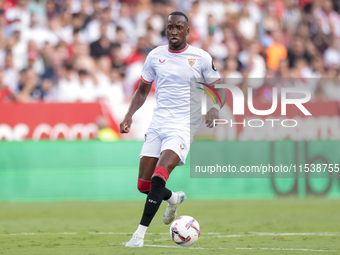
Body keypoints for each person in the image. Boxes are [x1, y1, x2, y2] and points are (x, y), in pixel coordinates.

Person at [120, 11, 226, 248]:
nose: (174, 32)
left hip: (183, 124)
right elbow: (142, 90)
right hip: (158, 123)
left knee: (159, 175)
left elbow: (220, 90)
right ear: (165, 29)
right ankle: (174, 198)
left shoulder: (200, 57)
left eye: (179, 28)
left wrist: (215, 108)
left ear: (188, 31)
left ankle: (139, 235)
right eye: (170, 27)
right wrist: (129, 115)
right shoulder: (155, 55)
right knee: (144, 186)